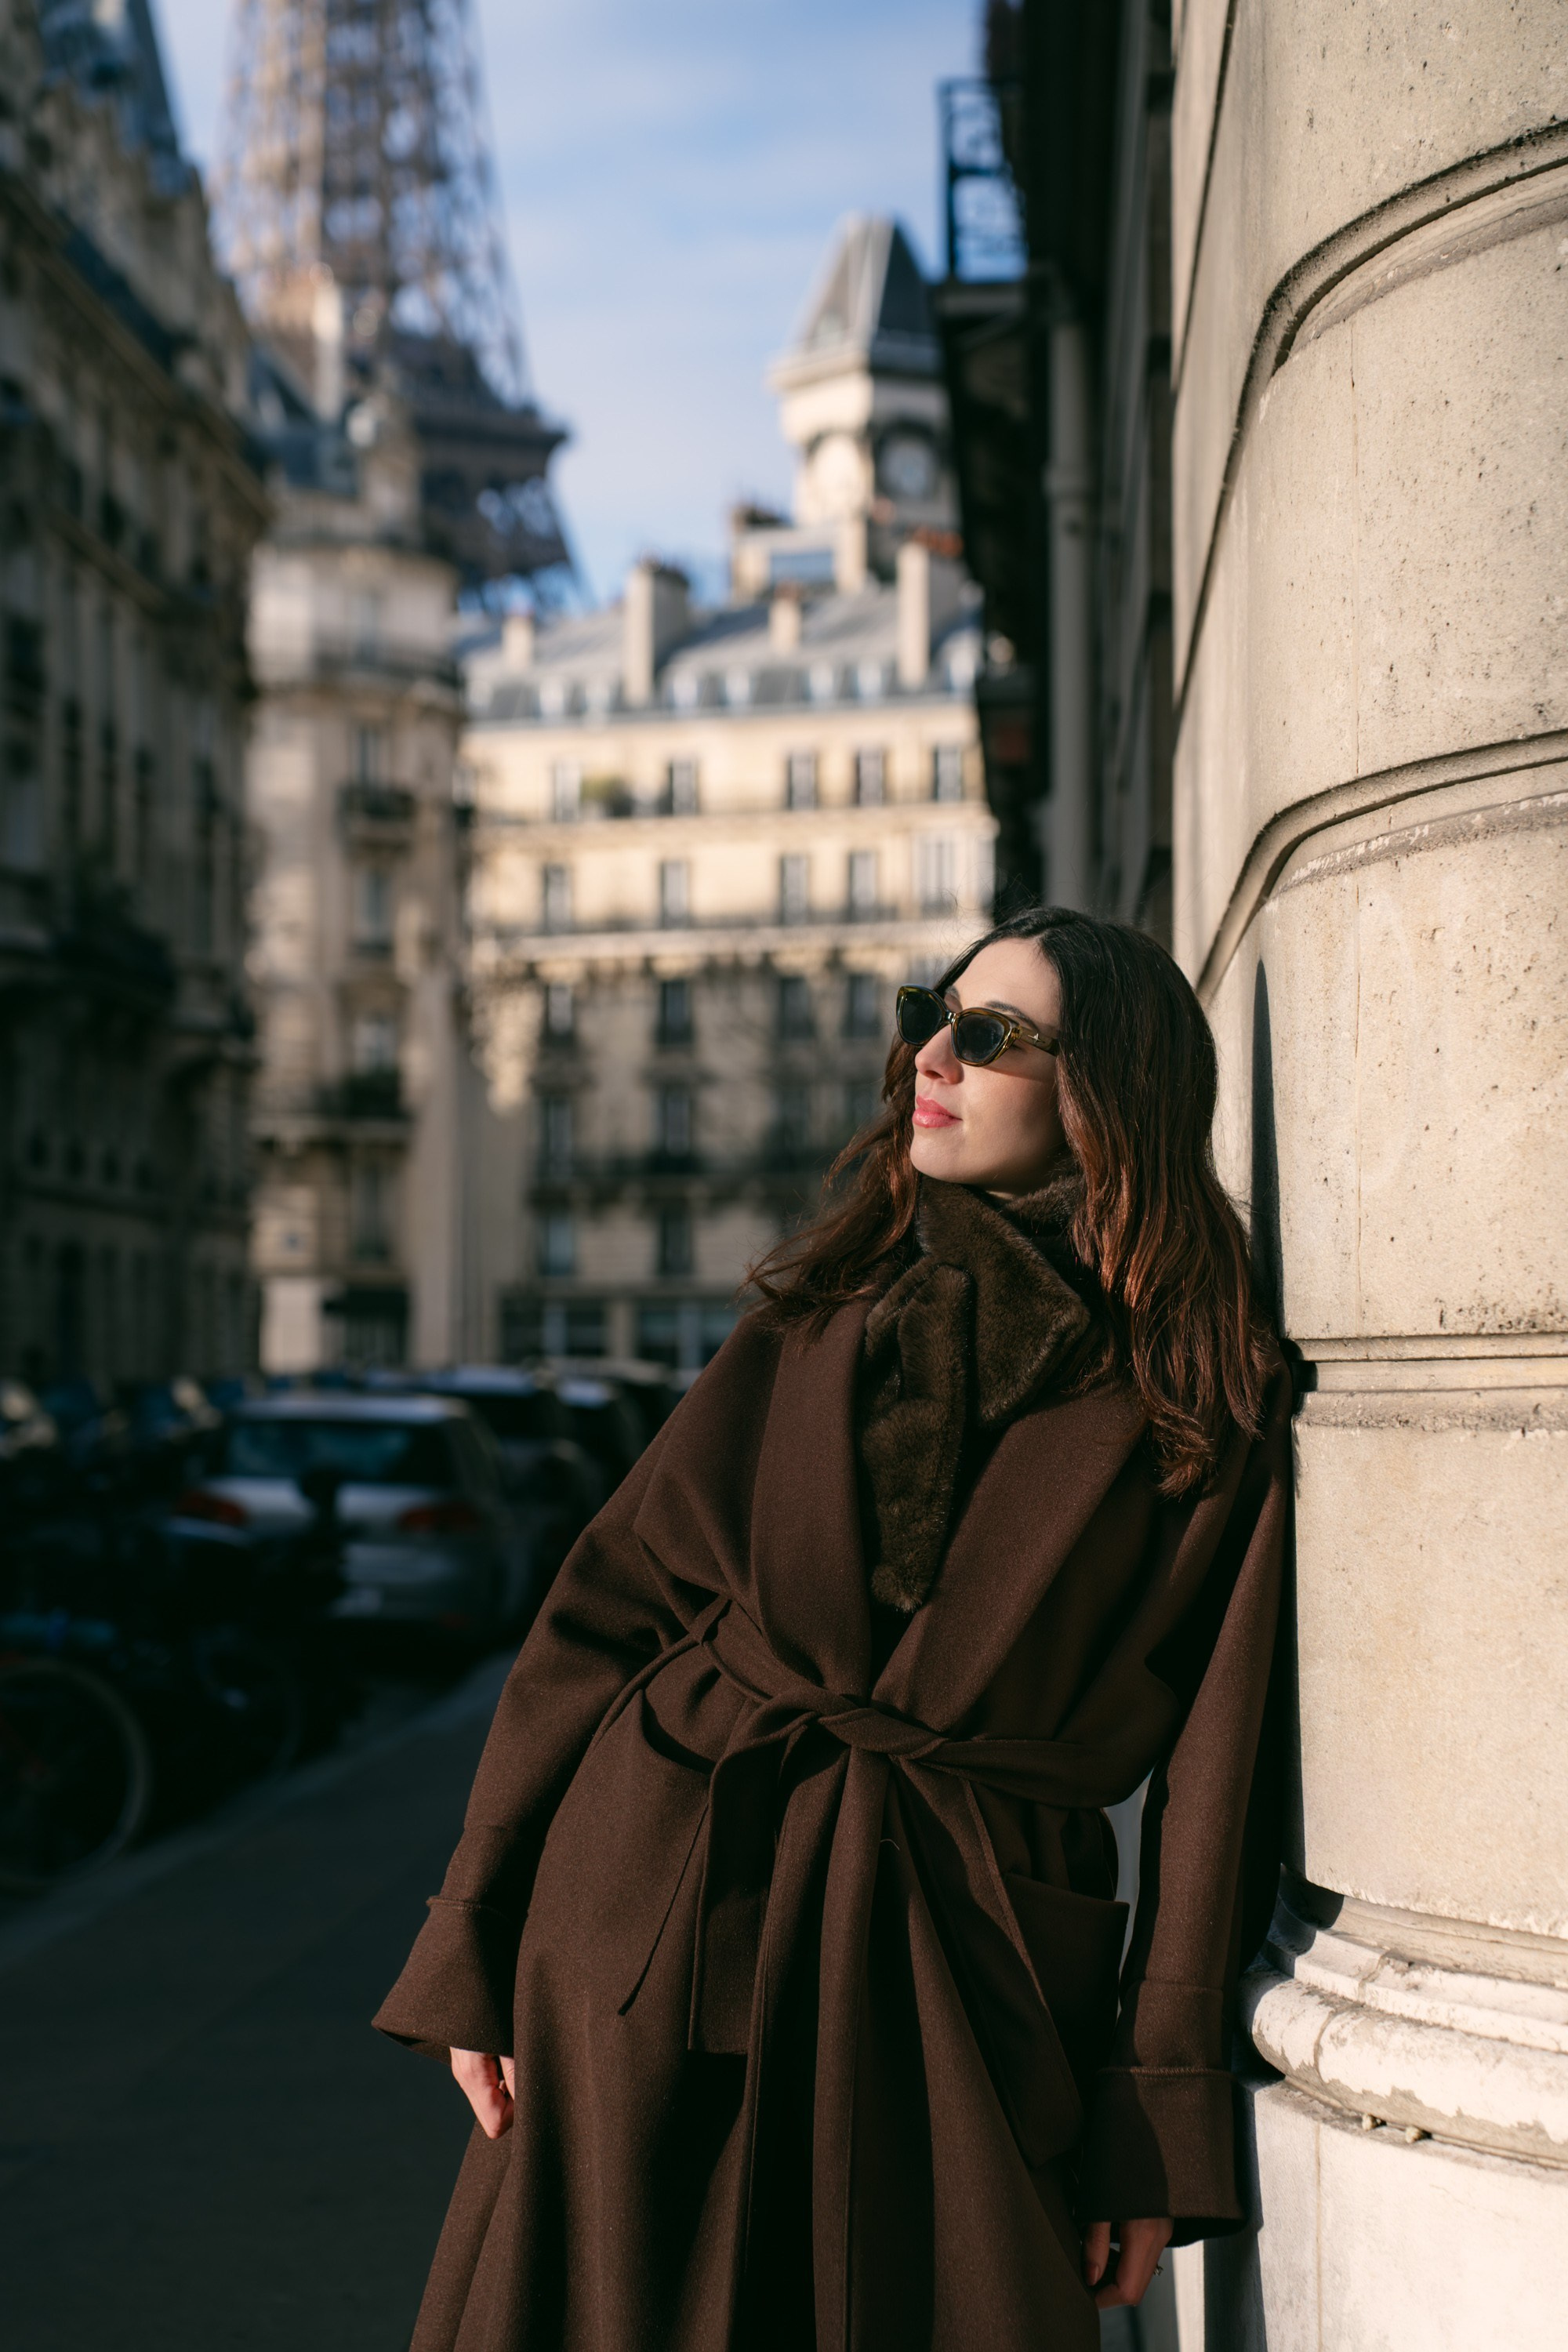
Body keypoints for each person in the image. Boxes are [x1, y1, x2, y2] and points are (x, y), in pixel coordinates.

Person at [376, 906, 1290, 2352]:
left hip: (959, 1958)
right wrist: (476, 1937)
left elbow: (1216, 1786)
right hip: (658, 1914)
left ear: (1105, 1090)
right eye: (933, 1011)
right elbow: (605, 1614)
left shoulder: (1204, 1388)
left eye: (987, 1037)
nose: (930, 1053)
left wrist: (1151, 2107)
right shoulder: (829, 1304)